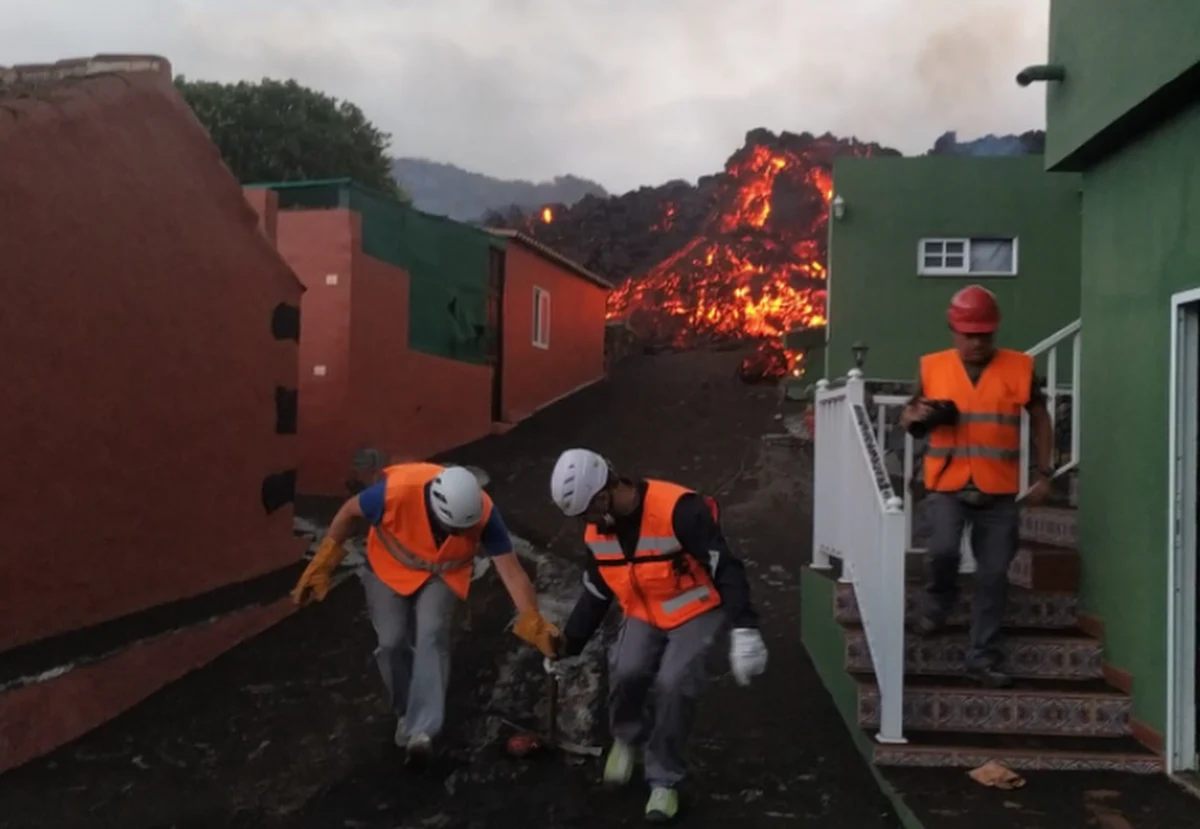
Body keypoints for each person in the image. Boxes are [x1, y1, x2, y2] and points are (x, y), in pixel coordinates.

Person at [548, 448, 768, 823]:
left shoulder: (679, 510)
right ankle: (627, 739)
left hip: (696, 609)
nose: (585, 521)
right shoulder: (597, 532)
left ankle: (664, 779)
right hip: (644, 610)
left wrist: (746, 627)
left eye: (586, 510)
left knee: (674, 683)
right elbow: (598, 590)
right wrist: (569, 644)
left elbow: (725, 566)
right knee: (627, 669)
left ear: (604, 493)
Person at [291, 462, 560, 762]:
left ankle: (423, 731)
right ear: (436, 511)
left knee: (432, 635)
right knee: (392, 643)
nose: (459, 534)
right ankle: (406, 712)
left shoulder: (483, 513)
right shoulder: (393, 494)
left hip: (441, 575)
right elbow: (348, 512)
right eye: (453, 529)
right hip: (388, 568)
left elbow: (512, 572)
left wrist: (533, 620)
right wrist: (324, 562)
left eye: (463, 530)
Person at [899, 285, 1053, 689]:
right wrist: (916, 414)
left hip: (999, 492)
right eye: (969, 334)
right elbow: (909, 412)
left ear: (994, 331)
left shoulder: (1019, 368)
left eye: (984, 334)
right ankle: (937, 601)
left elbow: (1040, 418)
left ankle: (982, 656)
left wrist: (1044, 473)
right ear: (954, 331)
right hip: (947, 484)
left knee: (993, 576)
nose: (977, 342)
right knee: (943, 550)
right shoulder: (932, 367)